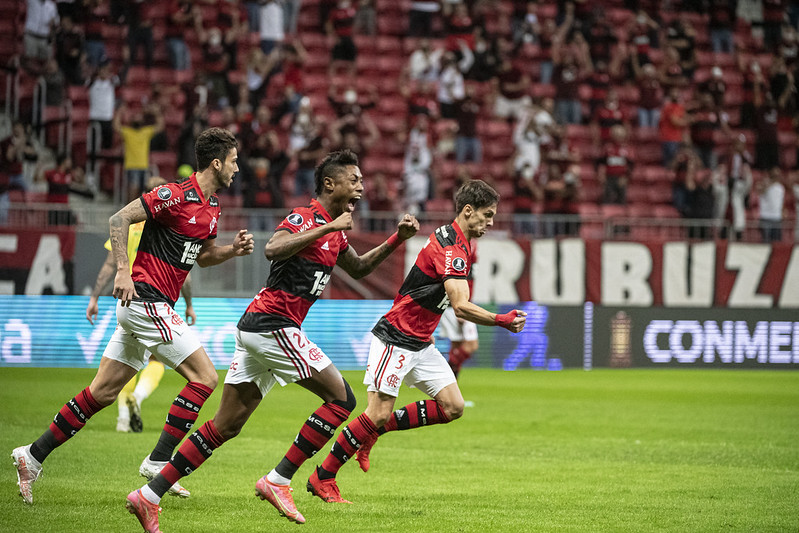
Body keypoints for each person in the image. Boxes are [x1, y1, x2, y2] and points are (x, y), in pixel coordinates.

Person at [125, 149, 420, 530]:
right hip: (273, 325)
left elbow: (360, 268)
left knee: (226, 426)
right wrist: (328, 228)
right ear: (330, 184)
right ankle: (279, 480)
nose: (361, 187)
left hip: (260, 328)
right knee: (342, 399)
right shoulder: (307, 217)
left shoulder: (332, 228)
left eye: (362, 180)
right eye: (355, 180)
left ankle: (147, 496)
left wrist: (397, 238)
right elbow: (272, 247)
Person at [11, 128, 255, 507]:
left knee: (103, 392)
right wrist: (123, 270)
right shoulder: (174, 195)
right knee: (206, 377)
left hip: (155, 306)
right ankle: (159, 462)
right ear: (217, 162)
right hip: (145, 300)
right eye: (235, 161)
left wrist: (231, 252)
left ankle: (32, 455)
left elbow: (202, 256)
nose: (238, 169)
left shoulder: (212, 209)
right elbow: (118, 219)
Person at [308, 179, 527, 505]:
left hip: (421, 342)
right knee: (377, 412)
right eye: (487, 214)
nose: (491, 222)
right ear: (468, 211)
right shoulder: (452, 248)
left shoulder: (459, 241)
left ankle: (374, 432)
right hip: (396, 337)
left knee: (452, 407)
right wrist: (501, 320)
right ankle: (323, 476)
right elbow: (460, 306)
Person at [85, 175, 197, 433]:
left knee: (125, 361)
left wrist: (93, 298)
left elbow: (109, 265)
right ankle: (139, 397)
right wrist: (189, 305)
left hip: (128, 301)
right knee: (158, 362)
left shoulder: (129, 227)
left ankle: (123, 416)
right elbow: (186, 276)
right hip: (156, 300)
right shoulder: (168, 228)